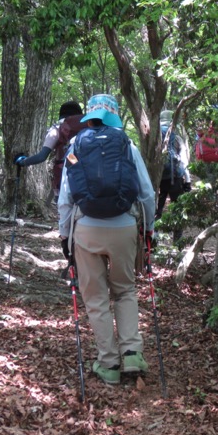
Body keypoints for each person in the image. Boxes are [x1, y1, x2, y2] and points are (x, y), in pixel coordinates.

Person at [57, 94, 156, 386]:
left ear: (89, 115)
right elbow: (147, 194)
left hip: (86, 228)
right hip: (124, 227)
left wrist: (65, 236)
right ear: (114, 115)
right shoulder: (127, 144)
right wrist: (149, 230)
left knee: (96, 298)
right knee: (125, 290)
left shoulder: (76, 145)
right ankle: (132, 354)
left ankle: (109, 364)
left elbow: (66, 198)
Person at [14, 101, 85, 202]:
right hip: (88, 175)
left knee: (66, 211)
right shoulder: (90, 126)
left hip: (66, 177)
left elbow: (41, 157)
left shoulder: (57, 129)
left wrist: (22, 162)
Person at [156, 109, 192, 220]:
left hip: (158, 179)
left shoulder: (154, 138)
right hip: (175, 178)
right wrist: (188, 181)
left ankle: (154, 234)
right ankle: (178, 236)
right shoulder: (176, 138)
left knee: (157, 210)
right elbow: (184, 161)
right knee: (178, 209)